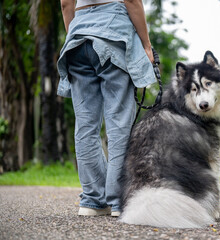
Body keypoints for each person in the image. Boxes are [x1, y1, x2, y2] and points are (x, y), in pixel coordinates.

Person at [57, 0, 156, 216]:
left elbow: (66, 4)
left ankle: (92, 201)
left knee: (85, 126)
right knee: (118, 123)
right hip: (113, 30)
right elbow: (131, 1)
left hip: (77, 34)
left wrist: (78, 32)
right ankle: (119, 200)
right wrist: (146, 45)